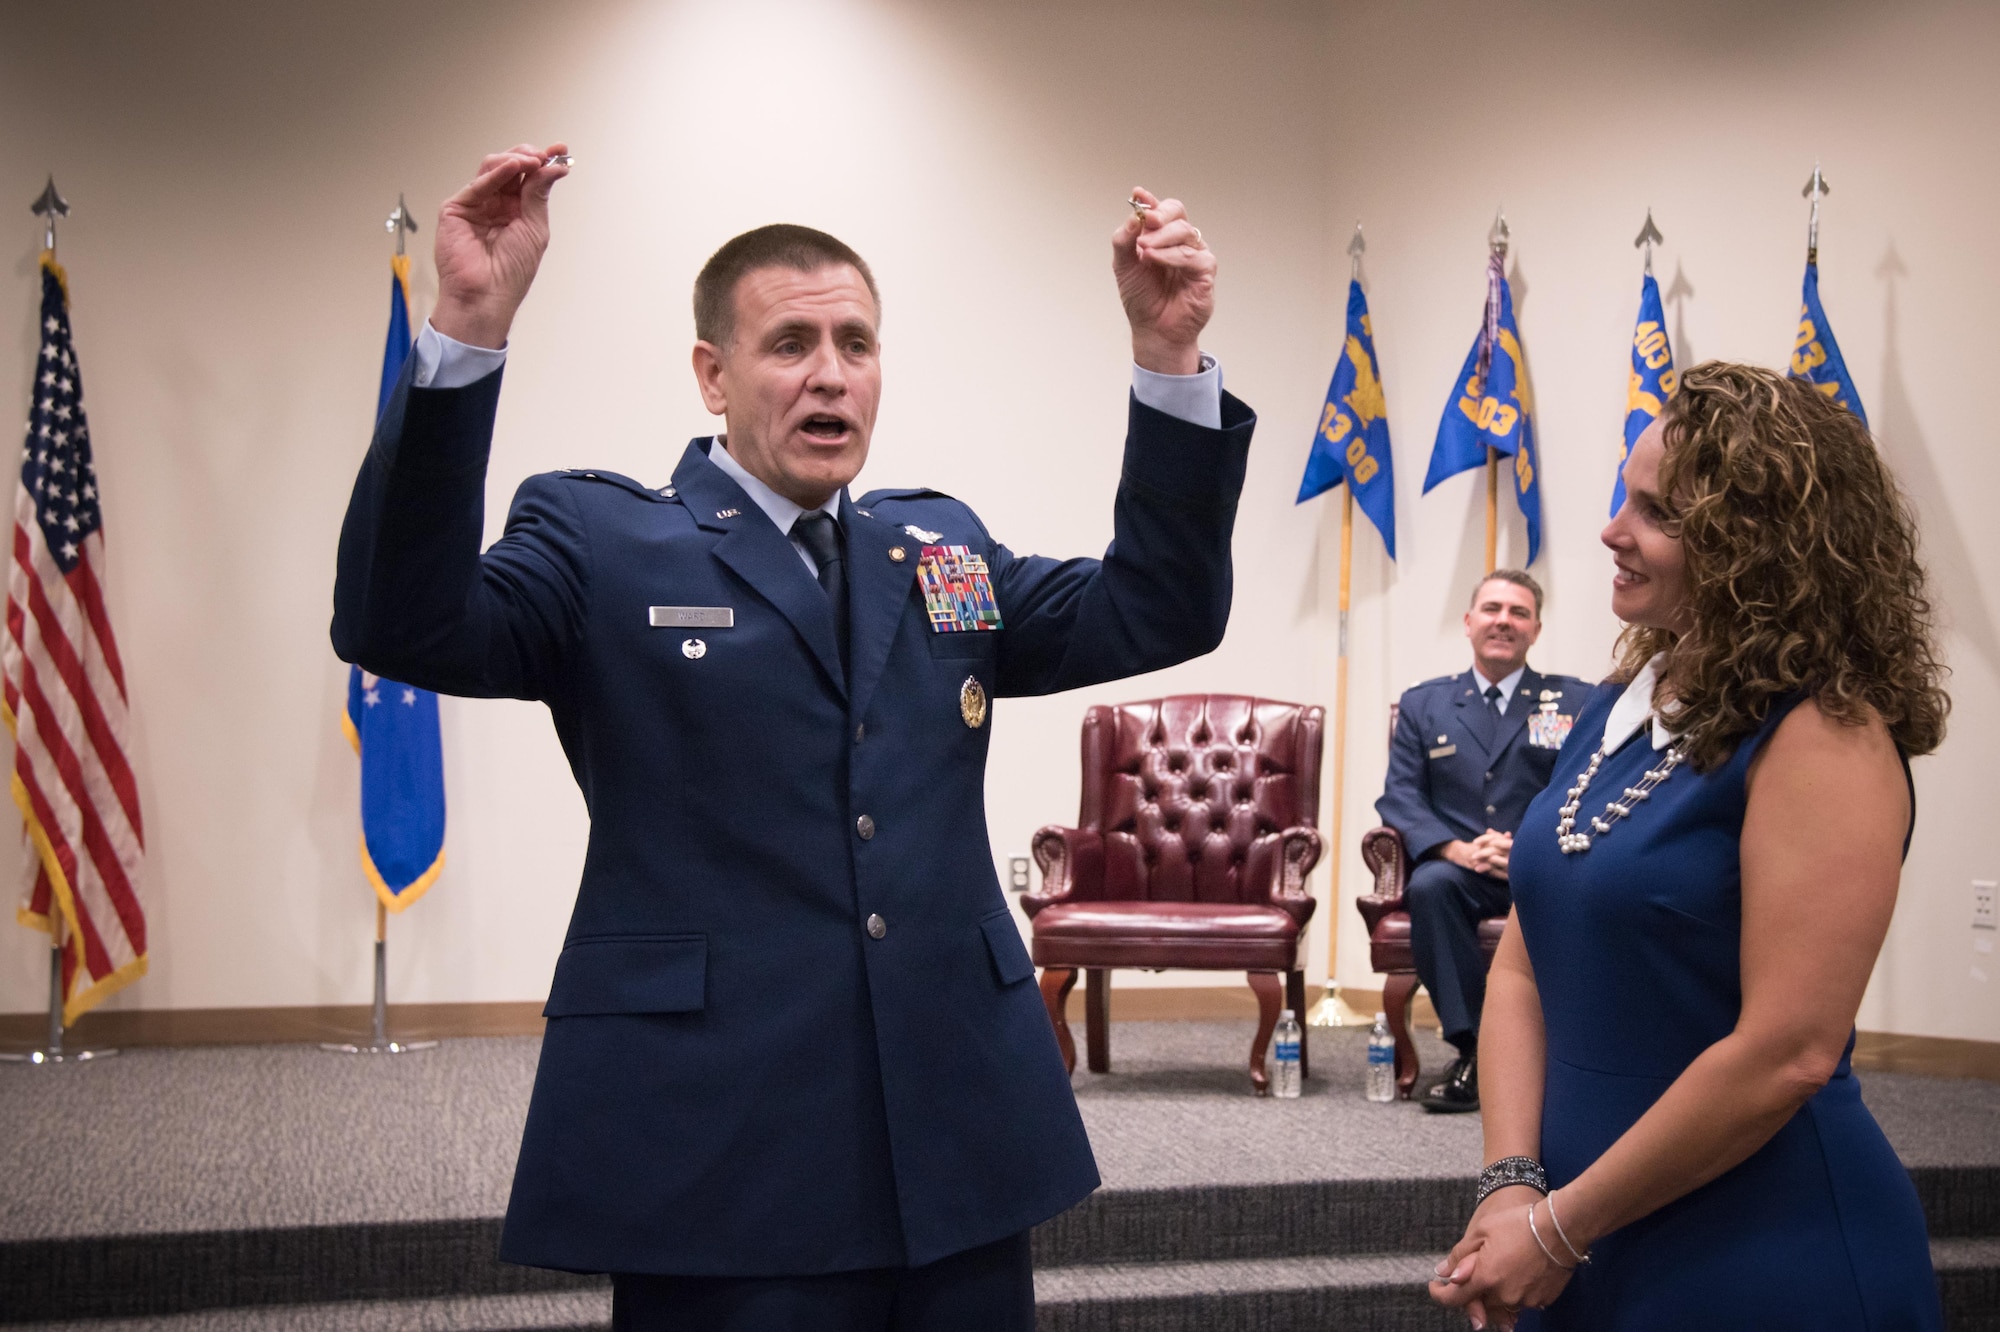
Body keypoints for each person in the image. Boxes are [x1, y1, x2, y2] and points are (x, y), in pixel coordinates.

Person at [332, 144, 1255, 1331]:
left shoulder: (938, 549)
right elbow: (400, 625)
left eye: (856, 345)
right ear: (712, 375)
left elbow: (1156, 608)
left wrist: (1167, 359)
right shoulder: (600, 541)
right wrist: (466, 326)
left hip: (952, 1123)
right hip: (719, 1133)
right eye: (791, 345)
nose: (831, 375)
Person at [1431, 362, 1948, 1330]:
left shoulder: (1823, 735)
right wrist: (1510, 1184)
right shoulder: (1616, 707)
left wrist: (1554, 1230)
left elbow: (1785, 1052)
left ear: (1754, 550)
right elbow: (1523, 969)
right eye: (1622, 497)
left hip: (1757, 1244)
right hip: (1580, 1217)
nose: (1609, 531)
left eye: (1654, 513)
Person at [1376, 571, 1590, 1112]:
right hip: (1464, 867)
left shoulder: (1575, 701)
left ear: (1536, 630)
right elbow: (1400, 798)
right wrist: (1457, 850)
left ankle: (1575, 1058)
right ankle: (1474, 1049)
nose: (1504, 620)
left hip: (1542, 865)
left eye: (1518, 612)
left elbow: (1586, 790)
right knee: (1429, 886)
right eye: (1492, 609)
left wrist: (1526, 848)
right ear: (1469, 623)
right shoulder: (1425, 704)